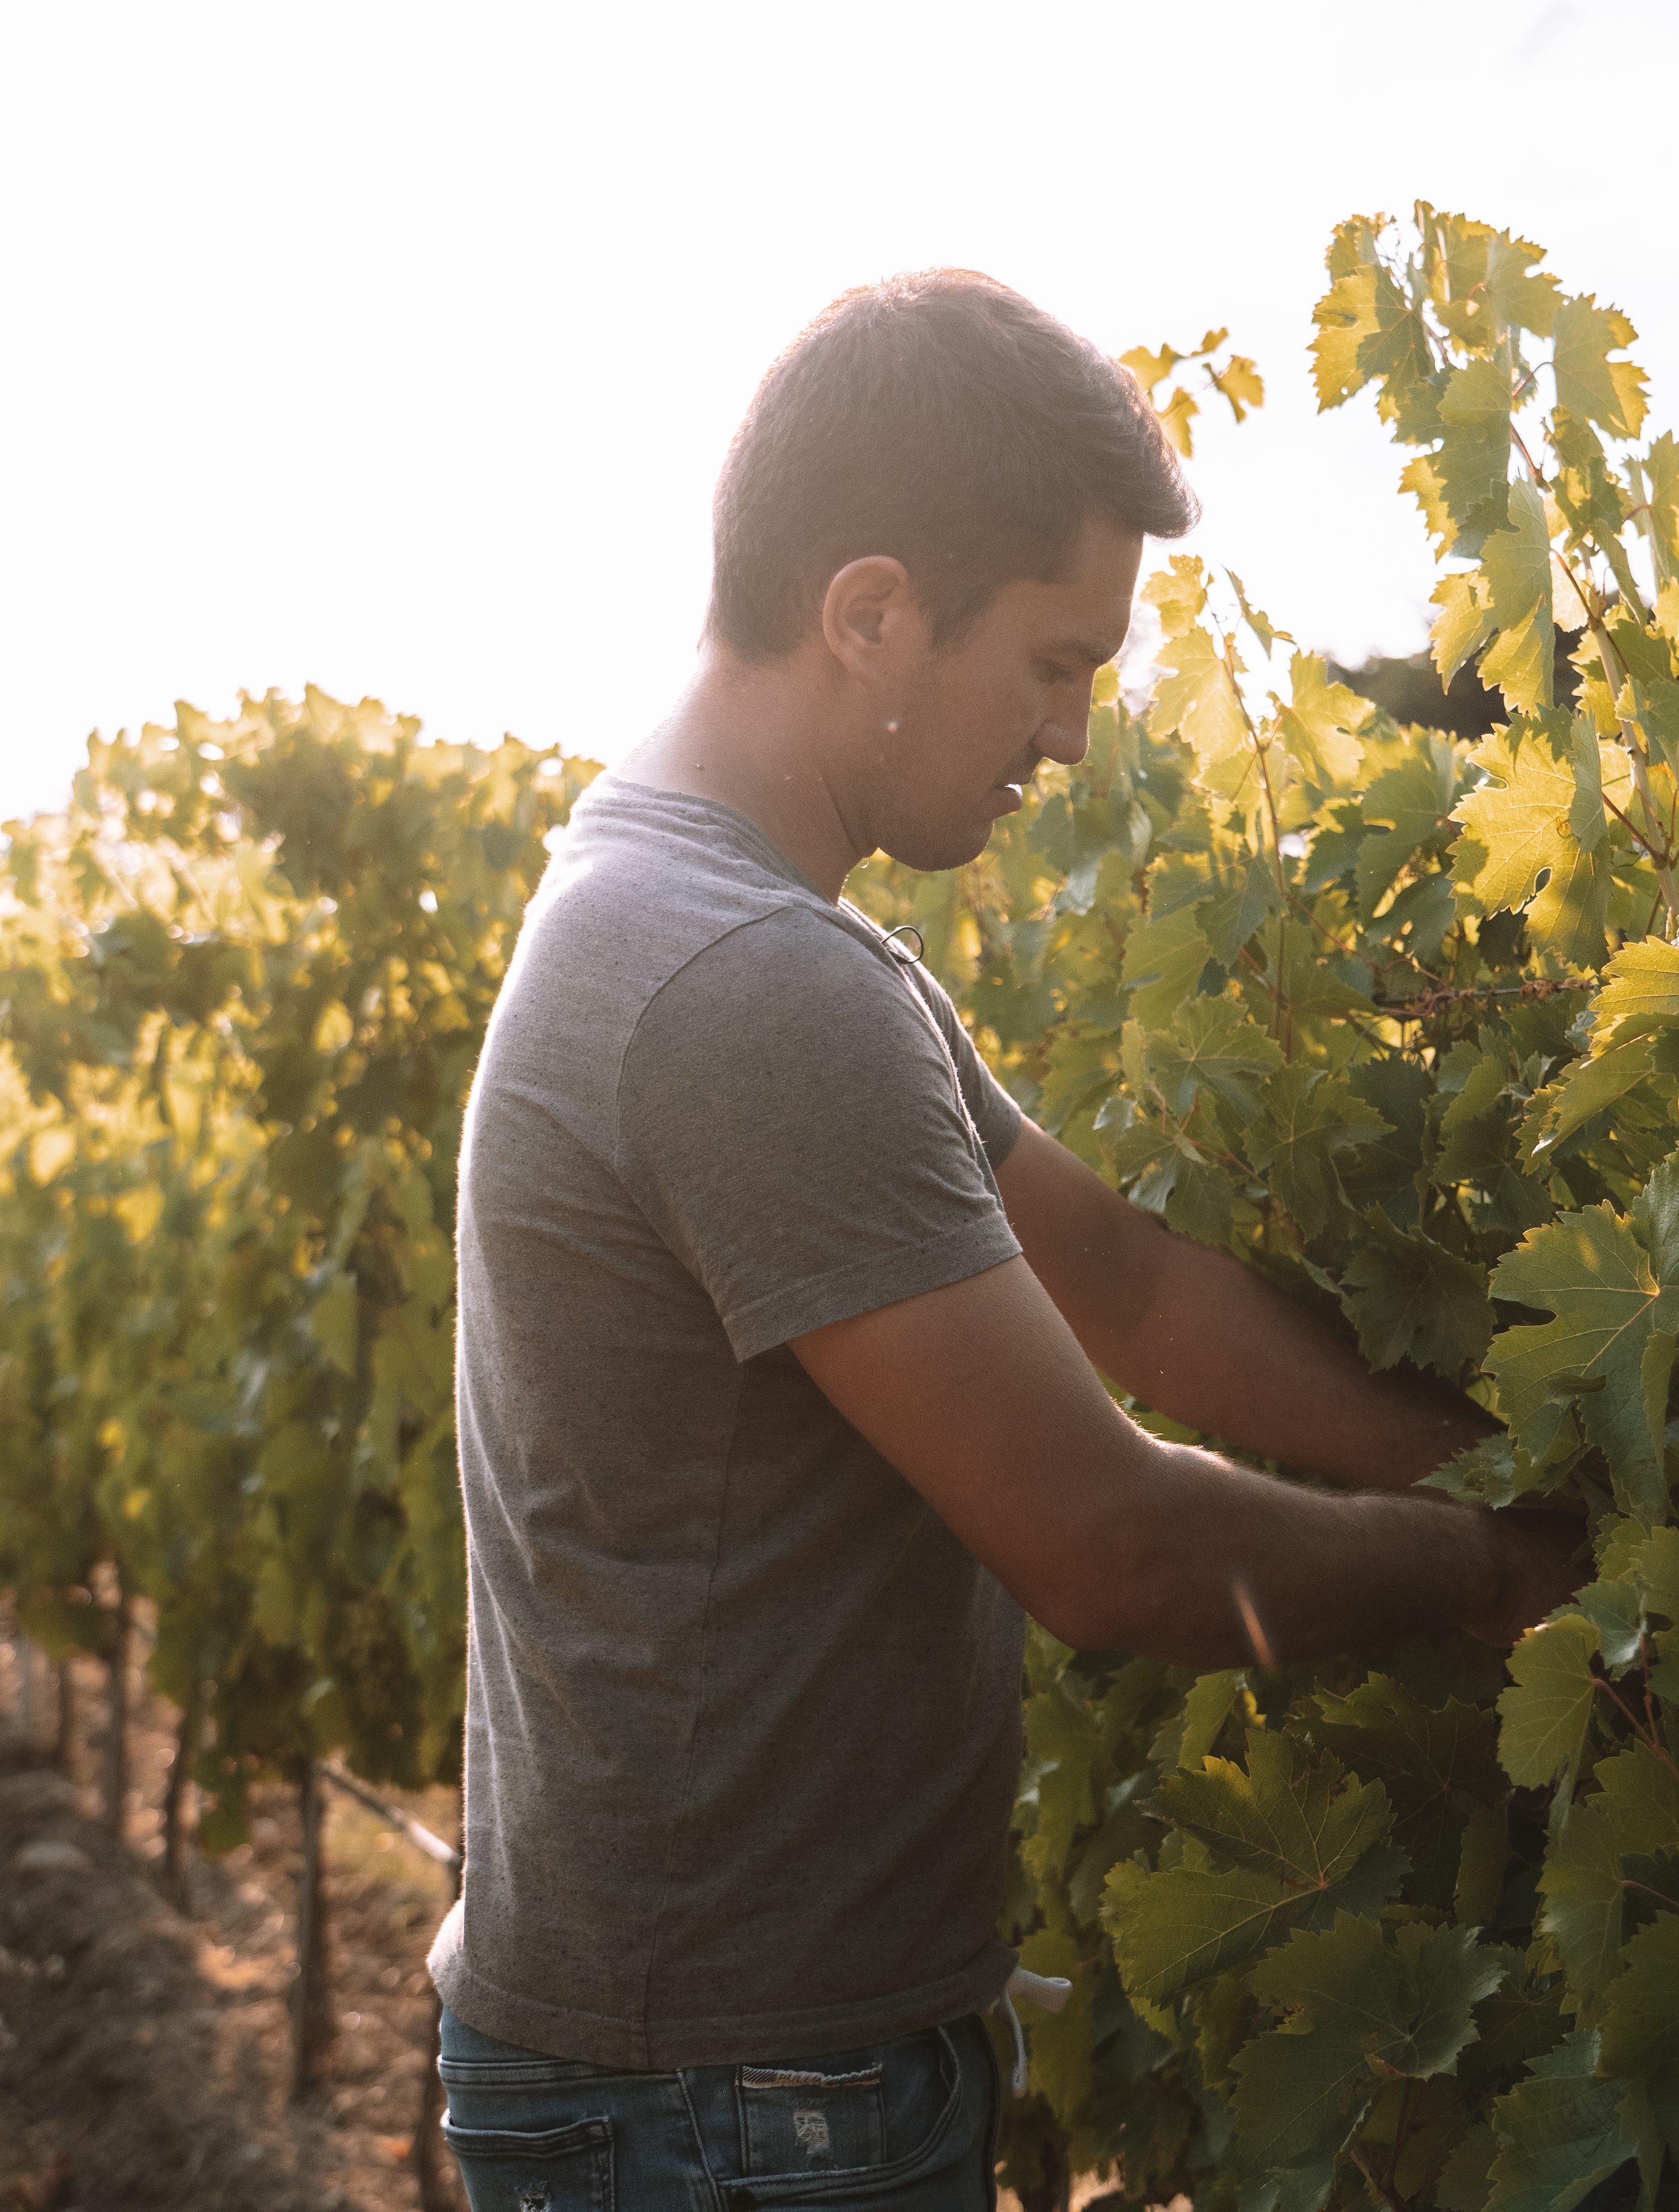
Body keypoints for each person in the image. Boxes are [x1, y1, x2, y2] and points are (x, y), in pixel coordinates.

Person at [429, 267, 1589, 2212]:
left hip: (706, 2064)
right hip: (736, 2096)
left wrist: (1505, 1466)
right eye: (1053, 663)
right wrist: (1487, 1569)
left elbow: (1124, 1286)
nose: (1070, 739)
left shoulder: (733, 921)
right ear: (870, 611)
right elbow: (1107, 1549)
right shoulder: (739, 984)